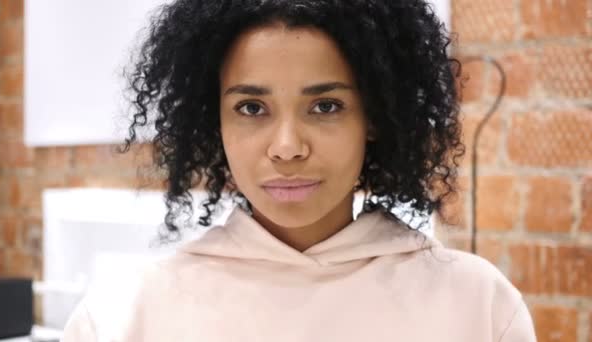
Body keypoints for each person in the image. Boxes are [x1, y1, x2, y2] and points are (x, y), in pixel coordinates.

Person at [63, 0, 537, 341]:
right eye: (251, 108)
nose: (287, 147)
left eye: (326, 105)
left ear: (372, 118)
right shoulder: (123, 316)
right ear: (215, 121)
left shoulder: (477, 305)